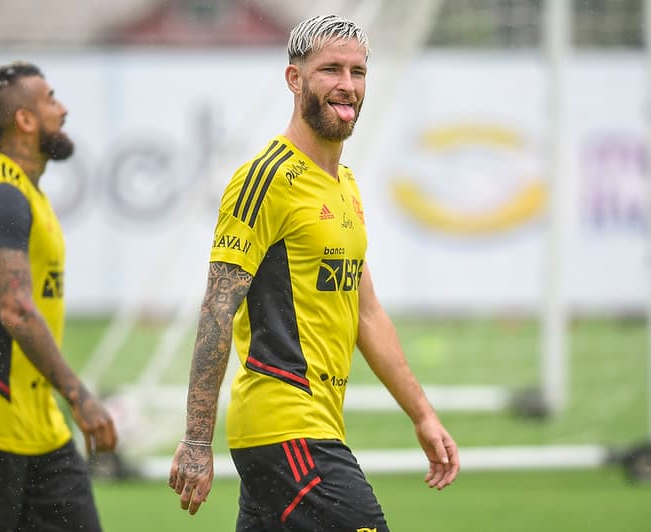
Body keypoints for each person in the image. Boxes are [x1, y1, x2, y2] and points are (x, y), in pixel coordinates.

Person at [169, 14, 459, 531]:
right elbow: (218, 306)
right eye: (331, 70)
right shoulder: (265, 178)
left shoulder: (345, 184)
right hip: (286, 427)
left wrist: (422, 414)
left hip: (313, 427)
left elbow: (367, 314)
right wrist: (196, 440)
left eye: (358, 71)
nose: (347, 86)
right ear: (294, 79)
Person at [0, 61, 117, 531]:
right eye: (52, 99)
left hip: (42, 434)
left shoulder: (30, 196)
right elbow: (16, 310)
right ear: (25, 120)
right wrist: (80, 398)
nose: (64, 109)